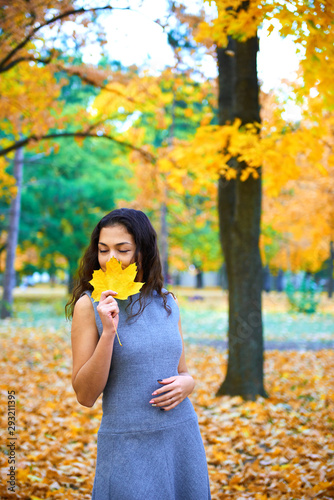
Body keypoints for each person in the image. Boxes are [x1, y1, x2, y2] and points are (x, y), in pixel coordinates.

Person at [66, 208, 211, 500]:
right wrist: (108, 331)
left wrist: (189, 383)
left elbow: (183, 372)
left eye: (123, 249)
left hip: (179, 437)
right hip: (126, 443)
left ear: (143, 251)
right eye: (103, 249)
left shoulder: (168, 301)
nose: (111, 259)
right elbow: (85, 395)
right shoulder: (88, 305)